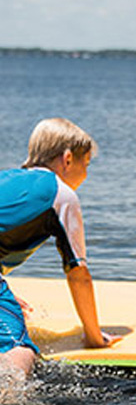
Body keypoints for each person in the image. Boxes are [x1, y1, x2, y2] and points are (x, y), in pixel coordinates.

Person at [0, 118, 120, 379]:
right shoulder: (60, 194)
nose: (86, 174)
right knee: (19, 350)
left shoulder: (6, 178)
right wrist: (93, 336)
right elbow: (78, 274)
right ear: (67, 159)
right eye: (85, 164)